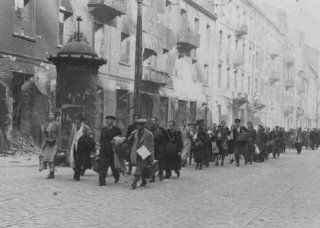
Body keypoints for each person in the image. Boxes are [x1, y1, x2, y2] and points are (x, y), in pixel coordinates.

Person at [128, 119, 154, 190]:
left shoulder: (149, 134)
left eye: (140, 125)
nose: (138, 127)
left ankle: (134, 183)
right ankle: (144, 181)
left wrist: (151, 158)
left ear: (143, 126)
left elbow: (151, 146)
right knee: (142, 167)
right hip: (136, 152)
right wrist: (131, 136)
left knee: (139, 167)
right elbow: (129, 141)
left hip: (144, 152)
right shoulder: (135, 133)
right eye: (137, 125)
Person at [67, 113, 92, 180]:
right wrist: (69, 146)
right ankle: (76, 173)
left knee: (78, 161)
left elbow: (90, 136)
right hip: (74, 146)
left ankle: (77, 176)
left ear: (81, 120)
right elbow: (71, 137)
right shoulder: (74, 127)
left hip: (82, 147)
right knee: (74, 160)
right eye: (76, 119)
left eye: (78, 119)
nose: (76, 121)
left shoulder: (85, 128)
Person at [99, 115, 122, 186]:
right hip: (104, 151)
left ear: (113, 121)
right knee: (103, 166)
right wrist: (100, 147)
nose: (109, 121)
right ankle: (102, 182)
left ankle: (116, 177)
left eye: (110, 120)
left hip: (113, 151)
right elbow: (101, 139)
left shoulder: (117, 129)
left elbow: (120, 139)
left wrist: (115, 143)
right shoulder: (103, 129)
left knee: (114, 166)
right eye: (107, 120)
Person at [40, 112, 60, 179]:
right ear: (48, 117)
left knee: (52, 158)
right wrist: (43, 145)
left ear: (54, 116)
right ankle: (51, 171)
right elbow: (44, 135)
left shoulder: (57, 124)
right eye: (50, 115)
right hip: (48, 143)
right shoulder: (46, 124)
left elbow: (59, 135)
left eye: (52, 115)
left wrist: (57, 142)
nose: (51, 116)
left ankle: (51, 172)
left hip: (54, 143)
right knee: (47, 157)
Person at [149, 116, 166, 182]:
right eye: (152, 120)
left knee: (160, 162)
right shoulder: (150, 129)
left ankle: (161, 175)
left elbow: (164, 139)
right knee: (152, 162)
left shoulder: (161, 129)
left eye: (154, 120)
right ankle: (152, 177)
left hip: (159, 148)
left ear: (157, 121)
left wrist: (162, 148)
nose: (153, 122)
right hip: (153, 148)